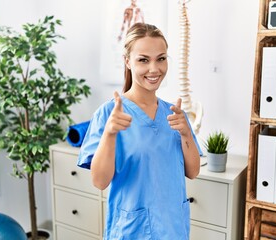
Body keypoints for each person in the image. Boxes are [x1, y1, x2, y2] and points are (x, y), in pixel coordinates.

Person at [78, 22, 201, 240]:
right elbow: (99, 182)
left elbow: (193, 172)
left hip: (173, 228)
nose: (154, 69)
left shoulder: (173, 113)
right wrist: (109, 134)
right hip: (132, 231)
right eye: (143, 60)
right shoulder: (108, 114)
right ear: (127, 61)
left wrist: (186, 134)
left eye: (161, 58)